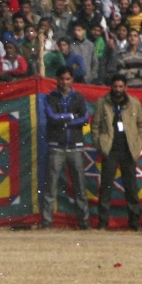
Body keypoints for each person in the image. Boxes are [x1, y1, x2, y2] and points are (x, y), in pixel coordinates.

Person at [91, 73, 142, 231]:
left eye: (121, 87)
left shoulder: (134, 103)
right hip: (110, 150)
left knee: (131, 189)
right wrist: (100, 144)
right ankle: (103, 223)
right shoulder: (102, 103)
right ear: (111, 87)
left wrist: (138, 143)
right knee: (106, 188)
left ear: (125, 87)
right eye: (115, 87)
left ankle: (134, 224)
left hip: (128, 150)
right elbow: (95, 126)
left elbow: (141, 125)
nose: (118, 90)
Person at [41, 67, 90, 229]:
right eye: (62, 79)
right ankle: (47, 223)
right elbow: (51, 117)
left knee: (80, 187)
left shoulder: (79, 97)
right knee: (51, 187)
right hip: (57, 146)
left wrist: (63, 119)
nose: (64, 82)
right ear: (57, 79)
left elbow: (84, 118)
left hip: (75, 146)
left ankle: (84, 223)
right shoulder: (50, 98)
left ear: (72, 80)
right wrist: (70, 116)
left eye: (68, 79)